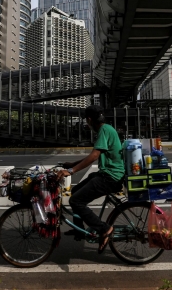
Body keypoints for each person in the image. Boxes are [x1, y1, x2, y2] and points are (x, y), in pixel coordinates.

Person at [57, 105, 125, 254]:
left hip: (111, 177)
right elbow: (95, 155)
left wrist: (71, 171)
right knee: (75, 191)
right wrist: (73, 164)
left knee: (76, 201)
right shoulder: (106, 129)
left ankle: (105, 229)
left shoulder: (104, 130)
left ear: (89, 119)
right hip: (106, 174)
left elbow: (94, 156)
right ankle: (79, 230)